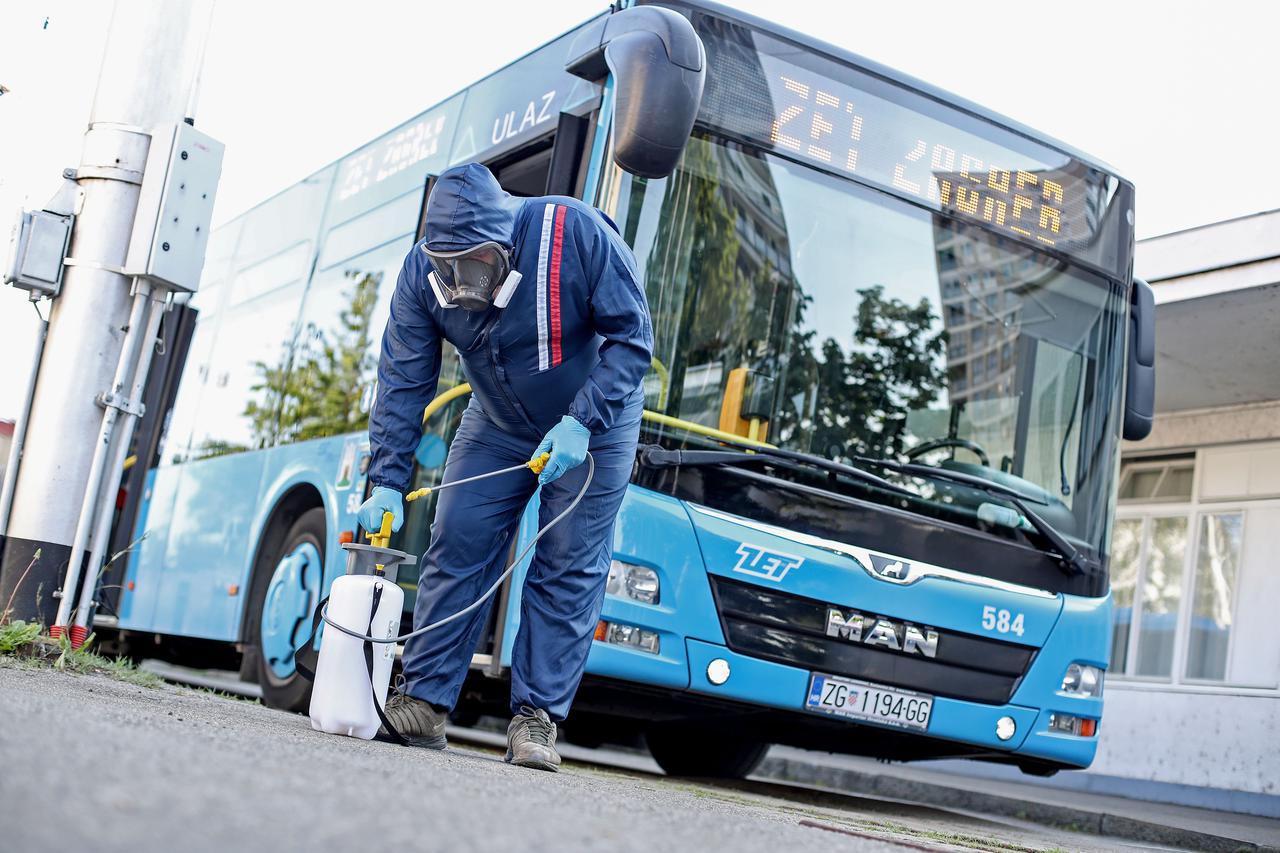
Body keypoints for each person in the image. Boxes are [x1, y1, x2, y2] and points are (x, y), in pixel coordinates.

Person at [357, 162, 652, 772]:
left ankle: (536, 720)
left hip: (592, 422)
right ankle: (424, 702)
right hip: (496, 422)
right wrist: (386, 478)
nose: (462, 282)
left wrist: (584, 420)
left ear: (506, 244)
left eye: (477, 264)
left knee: (567, 560)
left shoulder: (575, 232)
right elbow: (403, 378)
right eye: (449, 265)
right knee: (458, 536)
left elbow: (633, 337)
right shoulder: (421, 271)